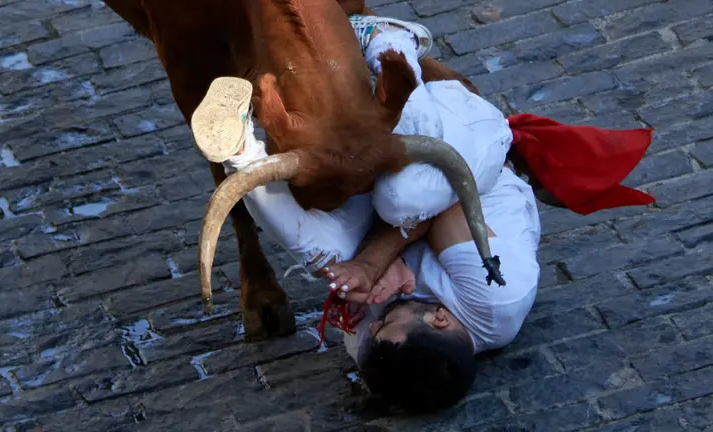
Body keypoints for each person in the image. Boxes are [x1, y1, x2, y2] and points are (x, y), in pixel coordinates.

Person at [193, 14, 654, 412]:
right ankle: (391, 41)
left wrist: (356, 274)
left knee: (324, 253)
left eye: (375, 328)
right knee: (406, 198)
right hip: (470, 159)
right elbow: (449, 202)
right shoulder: (496, 302)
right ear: (441, 320)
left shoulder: (378, 348)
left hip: (394, 215)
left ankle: (237, 148)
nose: (379, 316)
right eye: (391, 317)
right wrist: (375, 264)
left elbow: (360, 285)